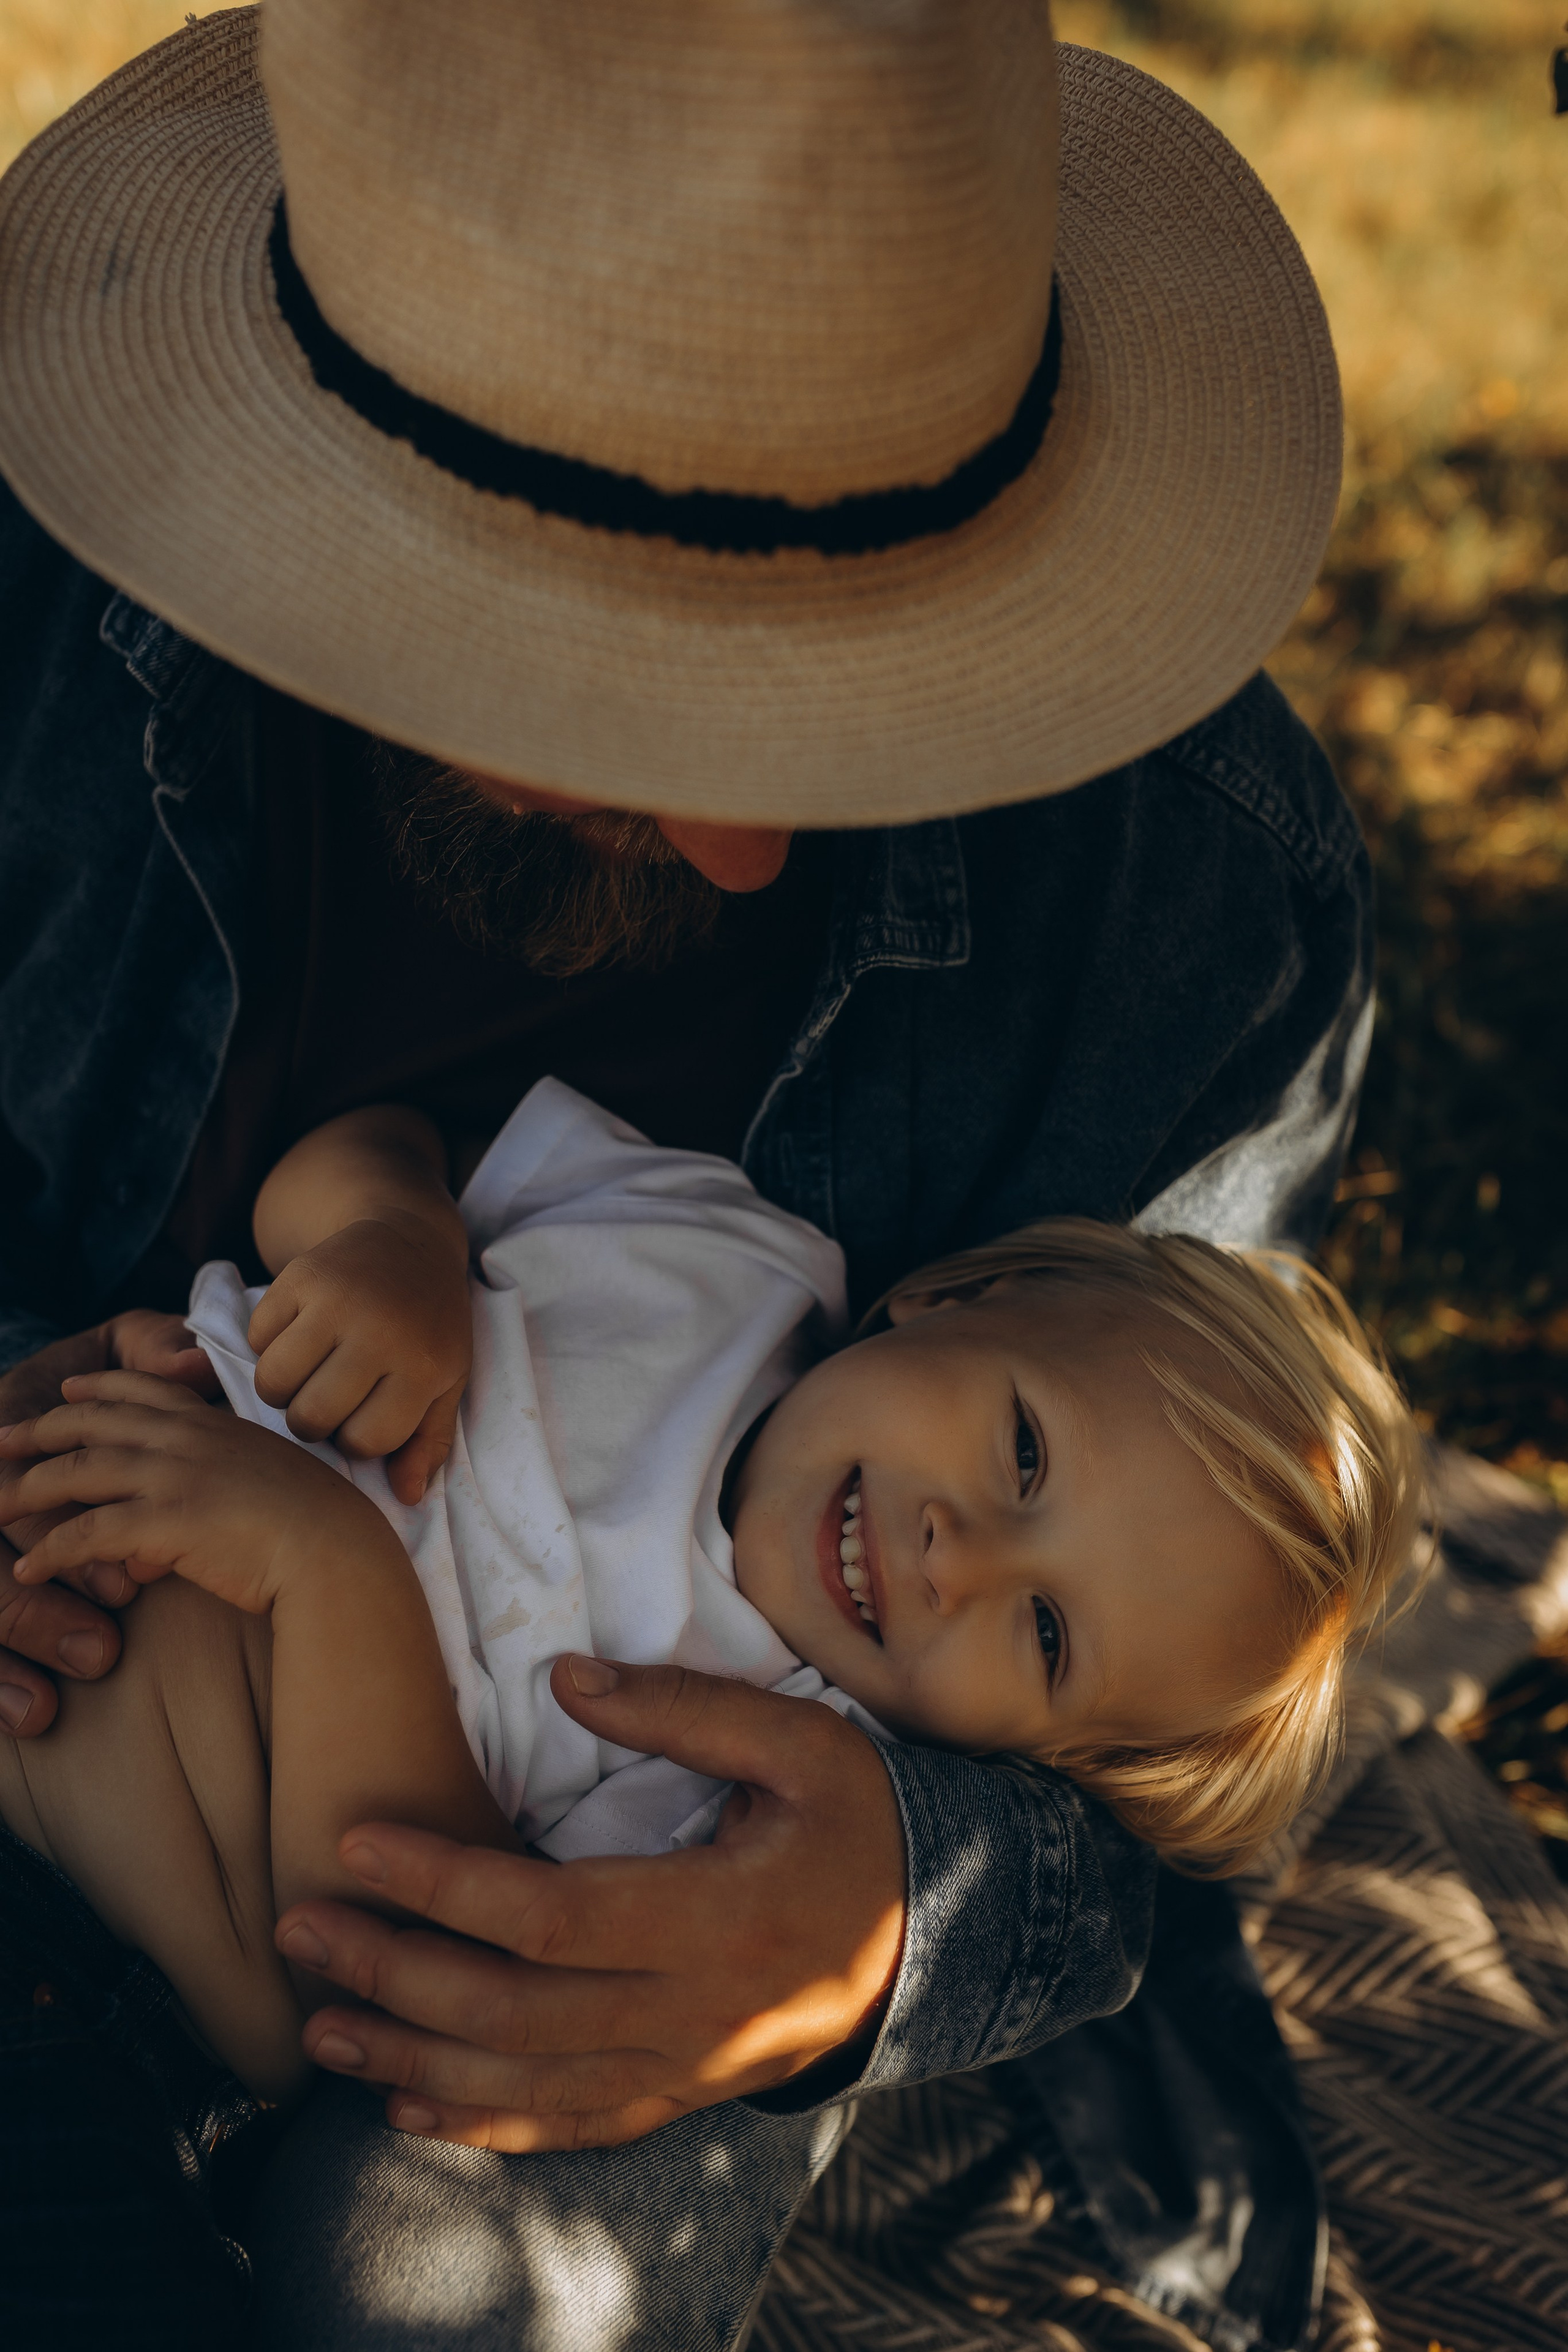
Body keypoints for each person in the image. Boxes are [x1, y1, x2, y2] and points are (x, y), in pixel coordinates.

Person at [0, 4, 1365, 2346]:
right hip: (90, 1648)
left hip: (365, 1932)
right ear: (338, 506)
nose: (747, 842)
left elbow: (1152, 1754)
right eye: (627, 702)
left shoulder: (1197, 902)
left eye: (870, 687)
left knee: (422, 2282)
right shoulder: (43, 613)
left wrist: (887, 1923)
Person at [0, 1082, 1422, 2111]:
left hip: (84, 1937)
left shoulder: (748, 1775)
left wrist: (324, 1567)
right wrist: (392, 1233)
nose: (959, 1556)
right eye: (1024, 1452)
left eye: (1044, 1633)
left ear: (1027, 1760)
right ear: (955, 1299)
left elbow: (376, 1951)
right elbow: (379, 1144)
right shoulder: (719, 1252)